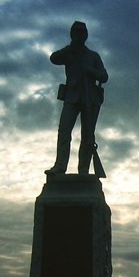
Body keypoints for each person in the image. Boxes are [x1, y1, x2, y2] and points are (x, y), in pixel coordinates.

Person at [45, 21, 108, 176]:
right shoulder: (68, 53)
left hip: (89, 99)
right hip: (72, 97)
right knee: (64, 131)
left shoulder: (93, 56)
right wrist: (70, 48)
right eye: (75, 33)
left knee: (87, 136)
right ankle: (60, 166)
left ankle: (83, 170)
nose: (79, 35)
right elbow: (53, 58)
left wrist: (90, 70)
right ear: (71, 34)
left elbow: (104, 76)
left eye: (81, 33)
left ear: (85, 35)